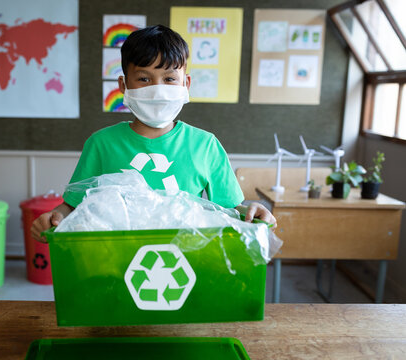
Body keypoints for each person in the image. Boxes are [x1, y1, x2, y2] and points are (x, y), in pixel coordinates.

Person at [31, 24, 276, 242]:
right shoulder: (101, 144)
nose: (158, 90)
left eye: (169, 79)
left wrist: (254, 211)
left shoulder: (205, 145)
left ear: (185, 84)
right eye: (144, 79)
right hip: (115, 256)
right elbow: (72, 207)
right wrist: (54, 218)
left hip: (184, 259)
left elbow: (231, 209)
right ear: (123, 85)